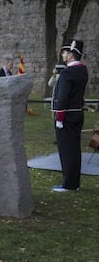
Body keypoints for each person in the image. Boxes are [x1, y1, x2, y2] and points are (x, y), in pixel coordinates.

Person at [52, 39, 88, 192]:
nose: (63, 55)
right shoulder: (82, 70)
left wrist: (59, 118)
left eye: (65, 52)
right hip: (77, 113)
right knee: (74, 149)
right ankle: (74, 182)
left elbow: (63, 97)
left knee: (66, 150)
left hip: (66, 116)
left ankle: (69, 184)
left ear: (72, 55)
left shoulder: (67, 73)